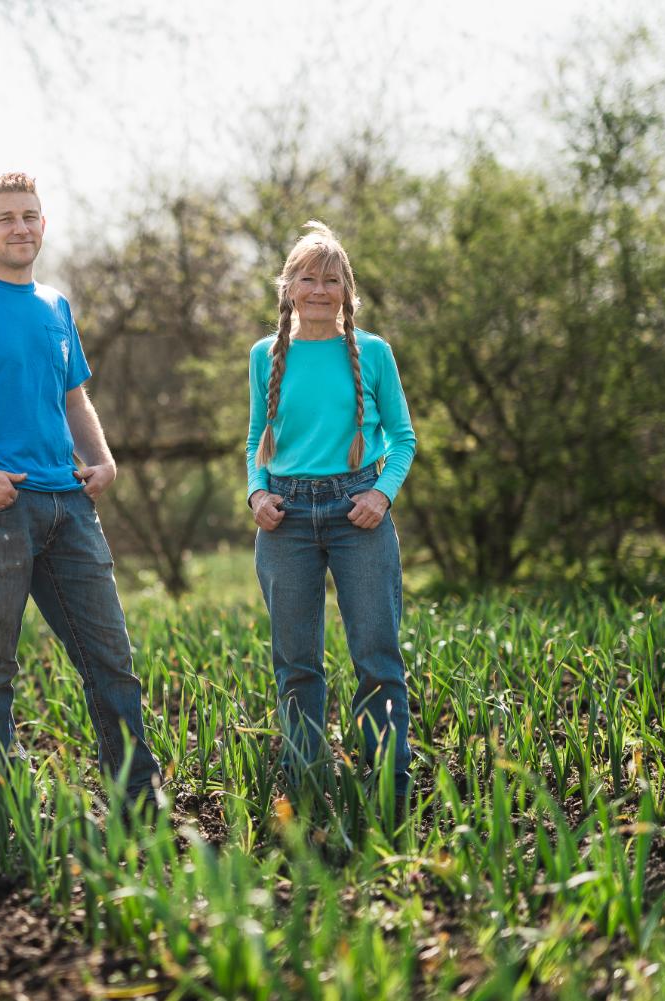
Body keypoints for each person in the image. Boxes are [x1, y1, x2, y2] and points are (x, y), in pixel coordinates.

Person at [0, 172, 160, 809]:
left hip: (70, 506)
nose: (21, 227)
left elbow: (73, 396)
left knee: (111, 658)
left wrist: (101, 460)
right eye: (7, 217)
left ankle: (137, 797)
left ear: (44, 224)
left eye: (31, 216)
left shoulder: (55, 306)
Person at [245, 221, 417, 815]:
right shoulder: (264, 357)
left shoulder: (373, 353)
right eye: (307, 277)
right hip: (284, 518)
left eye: (332, 279)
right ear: (287, 287)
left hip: (357, 512)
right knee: (296, 665)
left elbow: (402, 437)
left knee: (376, 656)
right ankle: (310, 791)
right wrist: (255, 495)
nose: (320, 288)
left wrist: (383, 495)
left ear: (347, 290)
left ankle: (389, 795)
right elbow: (253, 441)